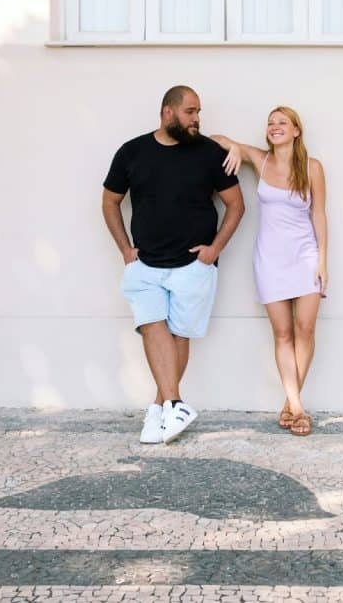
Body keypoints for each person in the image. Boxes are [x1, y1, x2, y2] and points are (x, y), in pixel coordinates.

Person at [102, 86, 244, 444]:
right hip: (145, 263)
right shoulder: (132, 151)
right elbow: (109, 202)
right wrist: (124, 249)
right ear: (168, 112)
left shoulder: (210, 153)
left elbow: (236, 205)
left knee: (178, 335)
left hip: (193, 265)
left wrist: (213, 249)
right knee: (152, 327)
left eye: (199, 112)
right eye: (191, 111)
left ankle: (158, 410)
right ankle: (176, 403)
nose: (197, 119)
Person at [212, 107, 328, 437]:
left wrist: (322, 261)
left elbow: (319, 215)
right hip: (270, 260)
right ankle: (297, 406)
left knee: (305, 329)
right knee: (283, 334)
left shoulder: (312, 168)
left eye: (283, 123)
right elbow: (218, 140)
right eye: (271, 123)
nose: (275, 127)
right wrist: (235, 147)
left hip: (305, 256)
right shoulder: (259, 160)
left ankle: (292, 403)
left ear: (296, 131)